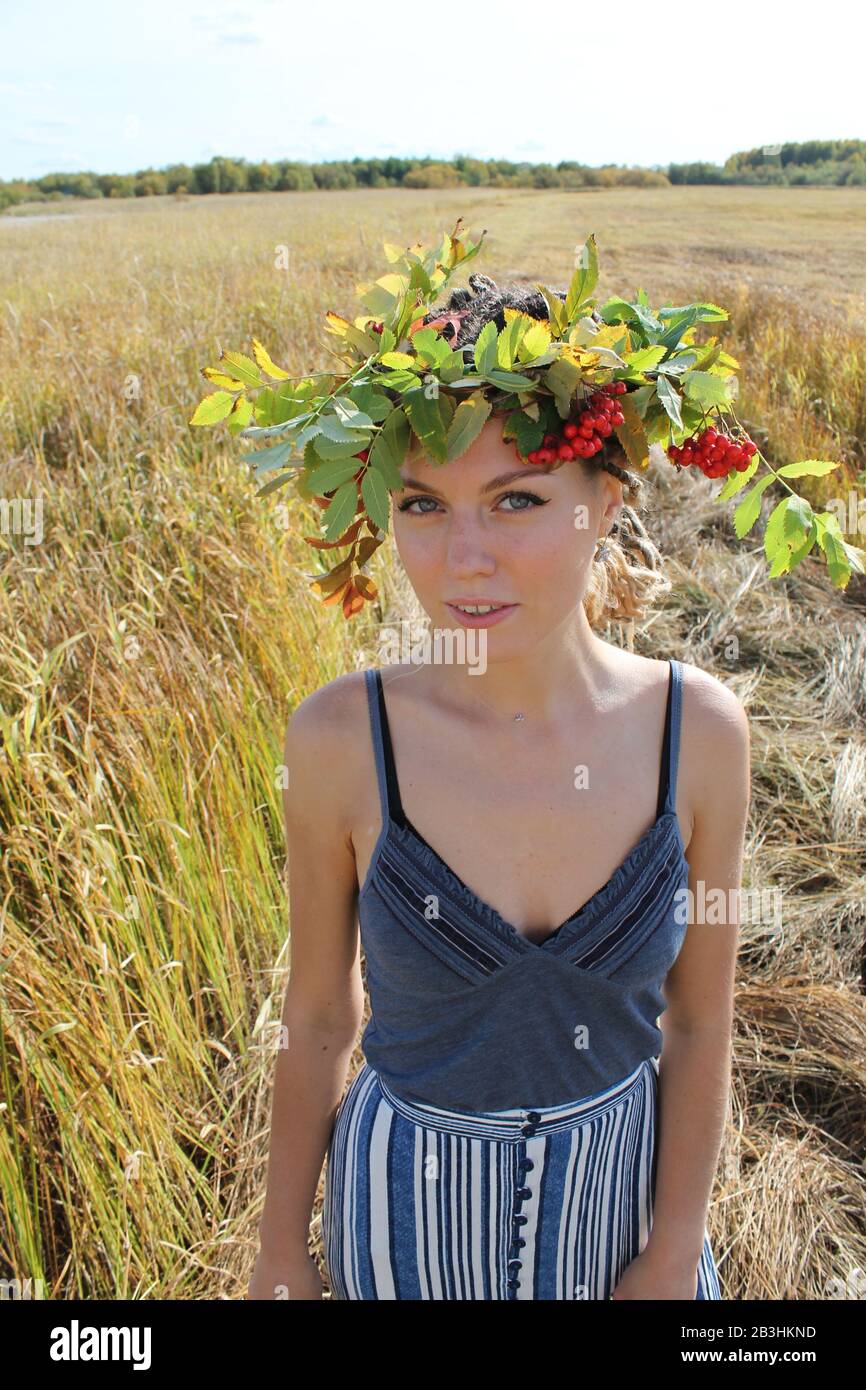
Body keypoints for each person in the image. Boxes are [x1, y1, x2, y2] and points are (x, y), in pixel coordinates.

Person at [248, 274, 750, 1301]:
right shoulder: (344, 739)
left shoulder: (696, 735)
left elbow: (699, 1022)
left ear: (602, 506)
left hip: (618, 1220)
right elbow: (319, 1017)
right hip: (400, 1228)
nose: (462, 560)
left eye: (516, 499)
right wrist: (277, 1255)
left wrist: (667, 1254)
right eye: (423, 505)